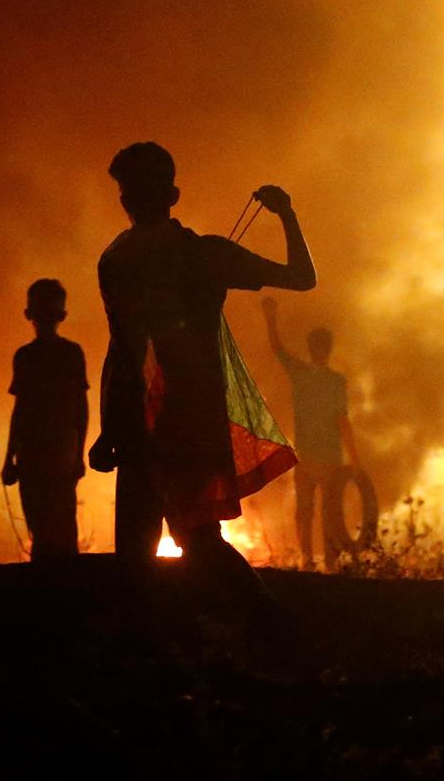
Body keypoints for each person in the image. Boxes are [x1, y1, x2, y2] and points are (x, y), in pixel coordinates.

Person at [88, 141, 315, 603]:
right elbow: (301, 276)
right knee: (183, 543)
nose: (131, 199)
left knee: (152, 546)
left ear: (164, 195)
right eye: (130, 190)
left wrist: (109, 424)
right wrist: (285, 214)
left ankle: (240, 632)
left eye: (135, 189)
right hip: (175, 416)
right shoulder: (189, 254)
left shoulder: (121, 259)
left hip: (162, 417)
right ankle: (255, 630)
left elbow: (121, 347)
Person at [261, 297, 359, 569]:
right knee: (314, 513)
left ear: (321, 349)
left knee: (314, 513)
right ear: (325, 349)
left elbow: (342, 420)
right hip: (316, 457)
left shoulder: (315, 377)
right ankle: (316, 561)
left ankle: (318, 561)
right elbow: (343, 421)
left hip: (318, 458)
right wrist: (355, 459)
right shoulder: (327, 379)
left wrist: (270, 317)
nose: (319, 350)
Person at [1, 279, 88, 562]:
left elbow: (21, 410)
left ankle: (47, 588)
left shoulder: (28, 356)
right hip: (50, 452)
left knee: (49, 525)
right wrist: (77, 454)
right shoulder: (66, 354)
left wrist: (9, 459)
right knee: (54, 523)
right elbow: (79, 409)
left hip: (43, 453)